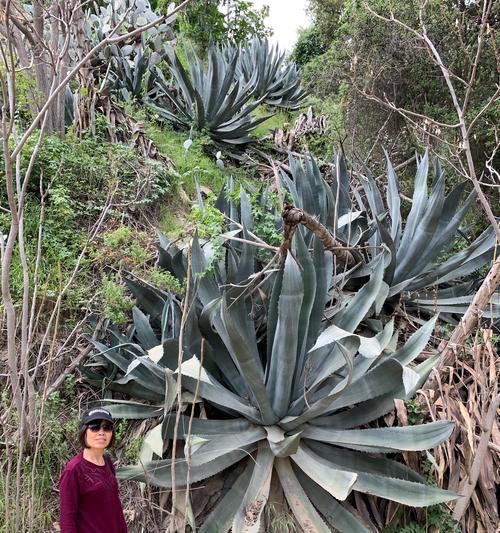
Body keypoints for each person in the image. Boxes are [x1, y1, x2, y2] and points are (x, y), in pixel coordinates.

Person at [59, 407, 128, 533]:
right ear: (84, 431)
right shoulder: (73, 470)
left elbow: (115, 508)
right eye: (95, 427)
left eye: (107, 427)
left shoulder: (107, 461)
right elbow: (67, 519)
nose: (101, 432)